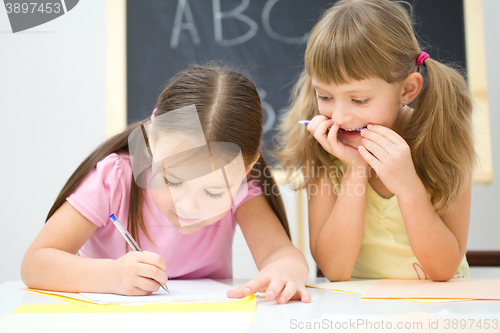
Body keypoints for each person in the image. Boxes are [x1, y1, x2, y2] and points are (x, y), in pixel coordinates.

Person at [21, 64, 311, 304]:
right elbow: (36, 263)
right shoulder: (114, 178)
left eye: (213, 191)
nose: (188, 205)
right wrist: (110, 275)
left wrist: (287, 269)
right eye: (172, 180)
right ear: (152, 141)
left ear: (245, 171)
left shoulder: (244, 189)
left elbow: (278, 252)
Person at [276, 0, 475, 281]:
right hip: (359, 308)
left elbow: (442, 270)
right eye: (325, 96)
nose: (341, 117)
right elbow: (335, 270)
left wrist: (407, 185)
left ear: (407, 90)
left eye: (359, 100)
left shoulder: (444, 142)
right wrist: (356, 170)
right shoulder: (324, 149)